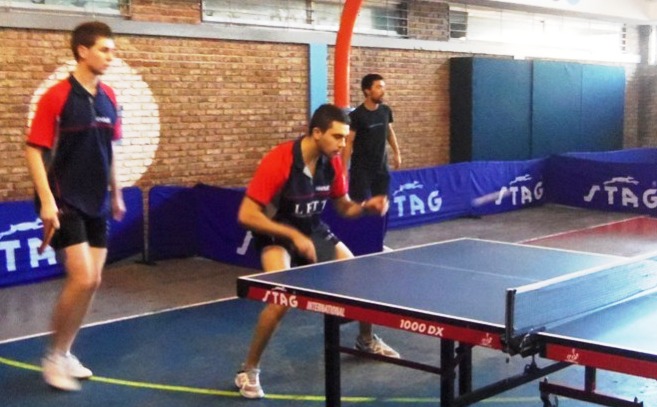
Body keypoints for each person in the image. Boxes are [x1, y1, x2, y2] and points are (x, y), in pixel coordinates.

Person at [234, 103, 400, 399]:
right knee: (281, 298)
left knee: (359, 278)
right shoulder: (280, 160)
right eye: (337, 137)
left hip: (311, 228)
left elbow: (343, 206)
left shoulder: (332, 162)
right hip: (276, 231)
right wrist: (293, 236)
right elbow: (246, 215)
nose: (343, 144)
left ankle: (365, 340)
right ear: (316, 133)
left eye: (345, 137)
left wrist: (365, 207)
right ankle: (249, 370)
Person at [24, 21, 125, 392]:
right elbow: (34, 150)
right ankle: (53, 356)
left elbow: (109, 149)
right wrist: (47, 202)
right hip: (64, 199)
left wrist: (116, 193)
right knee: (82, 277)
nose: (110, 57)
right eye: (104, 50)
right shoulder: (57, 96)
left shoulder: (109, 96)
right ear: (83, 51)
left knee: (93, 281)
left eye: (112, 51)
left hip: (97, 200)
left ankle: (65, 352)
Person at [342, 73, 402, 202]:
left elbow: (389, 132)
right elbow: (349, 142)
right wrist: (344, 168)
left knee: (382, 204)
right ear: (367, 91)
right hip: (361, 171)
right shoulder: (356, 115)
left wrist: (397, 153)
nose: (383, 91)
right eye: (379, 87)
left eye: (383, 87)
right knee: (360, 205)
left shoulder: (385, 111)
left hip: (381, 168)